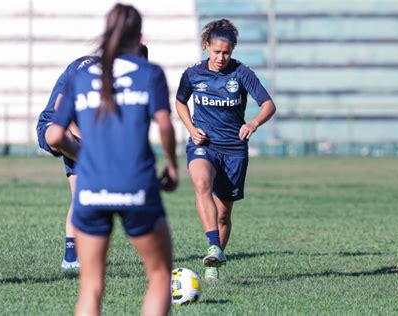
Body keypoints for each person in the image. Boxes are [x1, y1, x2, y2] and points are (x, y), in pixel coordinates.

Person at [49, 3, 178, 315]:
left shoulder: (80, 75)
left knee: (91, 286)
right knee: (160, 276)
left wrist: (86, 156)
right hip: (136, 183)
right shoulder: (150, 73)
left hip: (92, 187)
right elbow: (164, 125)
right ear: (139, 36)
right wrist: (172, 165)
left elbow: (54, 134)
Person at [175, 18, 276, 283]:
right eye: (217, 51)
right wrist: (190, 128)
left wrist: (253, 123)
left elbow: (268, 105)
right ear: (207, 46)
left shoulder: (242, 73)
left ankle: (214, 262)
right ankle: (212, 245)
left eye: (226, 52)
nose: (221, 57)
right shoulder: (193, 73)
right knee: (201, 183)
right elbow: (180, 101)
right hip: (204, 145)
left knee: (223, 214)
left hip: (234, 149)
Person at [36, 46, 148, 272]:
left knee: (79, 197)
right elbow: (60, 111)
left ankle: (70, 260)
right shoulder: (88, 68)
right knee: (59, 136)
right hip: (57, 124)